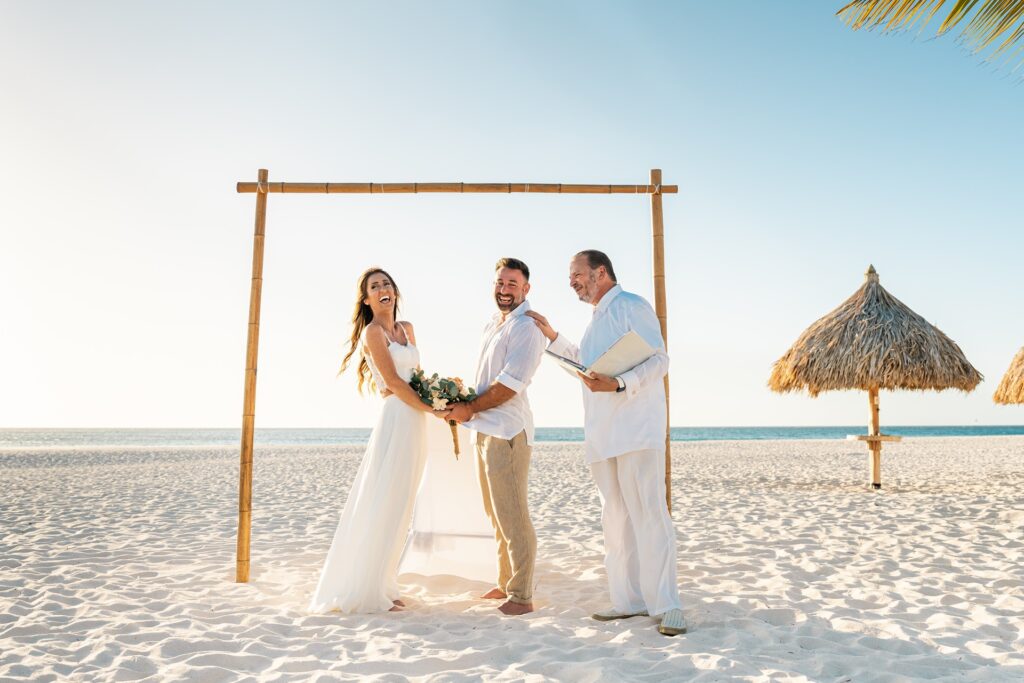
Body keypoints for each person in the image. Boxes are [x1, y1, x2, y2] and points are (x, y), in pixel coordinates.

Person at [526, 250, 687, 636]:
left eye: (576, 275)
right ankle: (628, 602)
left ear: (601, 273)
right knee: (615, 518)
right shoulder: (594, 320)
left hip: (636, 429)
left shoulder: (632, 306)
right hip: (602, 433)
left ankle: (668, 605)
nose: (572, 282)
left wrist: (619, 383)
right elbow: (588, 363)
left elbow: (660, 360)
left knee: (650, 514)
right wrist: (553, 337)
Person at [308, 267, 449, 614]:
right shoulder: (373, 333)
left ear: (395, 292)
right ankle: (370, 588)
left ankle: (387, 583)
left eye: (386, 284)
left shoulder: (408, 329)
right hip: (398, 418)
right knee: (386, 500)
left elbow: (416, 376)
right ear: (367, 299)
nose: (383, 289)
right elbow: (394, 383)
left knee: (402, 504)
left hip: (415, 417)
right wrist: (430, 409)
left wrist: (439, 397)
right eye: (375, 287)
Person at [446, 257, 547, 616]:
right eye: (500, 284)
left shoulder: (527, 328)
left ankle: (521, 595)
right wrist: (462, 397)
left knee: (514, 514)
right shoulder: (495, 322)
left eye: (512, 285)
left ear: (526, 289)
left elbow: (509, 385)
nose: (504, 291)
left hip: (507, 430)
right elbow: (488, 377)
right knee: (495, 513)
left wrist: (469, 408)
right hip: (484, 429)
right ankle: (506, 582)